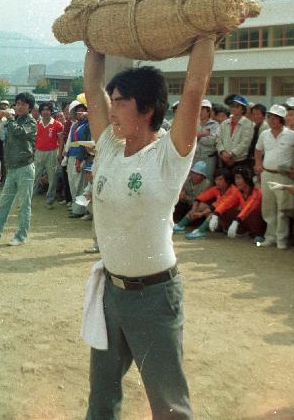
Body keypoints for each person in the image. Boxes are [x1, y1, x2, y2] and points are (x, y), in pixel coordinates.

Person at [81, 36, 214, 420]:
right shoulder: (107, 145)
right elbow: (92, 86)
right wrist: (94, 43)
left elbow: (194, 87)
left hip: (154, 298)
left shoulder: (169, 155)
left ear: (148, 109)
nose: (113, 107)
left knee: (169, 403)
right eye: (114, 100)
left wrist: (205, 37)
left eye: (121, 101)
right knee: (101, 397)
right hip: (112, 292)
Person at [0, 92, 38, 245]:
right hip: (12, 168)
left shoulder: (30, 122)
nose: (19, 106)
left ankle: (20, 236)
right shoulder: (14, 120)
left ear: (29, 107)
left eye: (23, 104)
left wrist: (9, 118)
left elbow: (21, 133)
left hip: (25, 168)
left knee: (24, 204)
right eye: (17, 103)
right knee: (4, 202)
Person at [254, 104, 294, 249]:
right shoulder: (264, 134)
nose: (271, 120)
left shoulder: (292, 135)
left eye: (275, 117)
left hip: (283, 176)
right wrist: (258, 164)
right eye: (270, 117)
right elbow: (258, 150)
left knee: (282, 209)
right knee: (268, 207)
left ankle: (282, 239)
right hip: (267, 173)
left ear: (281, 119)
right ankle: (270, 237)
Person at [33, 101, 64, 208]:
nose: (45, 112)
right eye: (43, 110)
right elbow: (33, 139)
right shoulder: (36, 124)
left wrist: (60, 154)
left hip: (52, 152)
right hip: (39, 152)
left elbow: (61, 141)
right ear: (40, 112)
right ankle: (29, 200)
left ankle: (49, 201)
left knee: (52, 178)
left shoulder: (57, 124)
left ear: (51, 111)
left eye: (48, 110)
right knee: (35, 176)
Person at [216, 95, 254, 169]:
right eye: (232, 106)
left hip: (239, 160)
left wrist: (231, 154)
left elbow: (245, 143)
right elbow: (218, 139)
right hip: (223, 159)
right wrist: (222, 152)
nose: (233, 108)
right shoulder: (224, 123)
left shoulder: (248, 124)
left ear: (243, 109)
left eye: (237, 106)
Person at [193, 99, 219, 180]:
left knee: (208, 180)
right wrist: (202, 134)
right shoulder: (193, 124)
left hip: (208, 158)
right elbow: (189, 140)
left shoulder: (215, 125)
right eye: (198, 109)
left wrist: (197, 136)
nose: (200, 111)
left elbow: (212, 141)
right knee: (193, 181)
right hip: (195, 157)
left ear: (208, 111)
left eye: (203, 109)